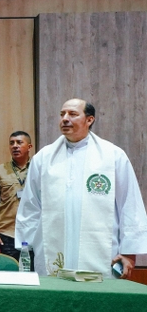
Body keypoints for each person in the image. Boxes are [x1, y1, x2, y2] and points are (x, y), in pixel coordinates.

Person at [16, 98, 147, 279]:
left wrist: (129, 251)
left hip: (102, 254)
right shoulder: (44, 157)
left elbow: (129, 204)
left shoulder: (113, 156)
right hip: (52, 250)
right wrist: (25, 248)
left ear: (89, 120)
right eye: (62, 114)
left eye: (73, 114)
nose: (65, 119)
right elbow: (30, 205)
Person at [0, 131, 32, 260]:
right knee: (9, 275)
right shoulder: (1, 170)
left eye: (19, 142)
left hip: (32, 232)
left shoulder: (38, 169)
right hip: (7, 234)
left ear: (29, 147)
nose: (15, 146)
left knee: (33, 275)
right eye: (12, 143)